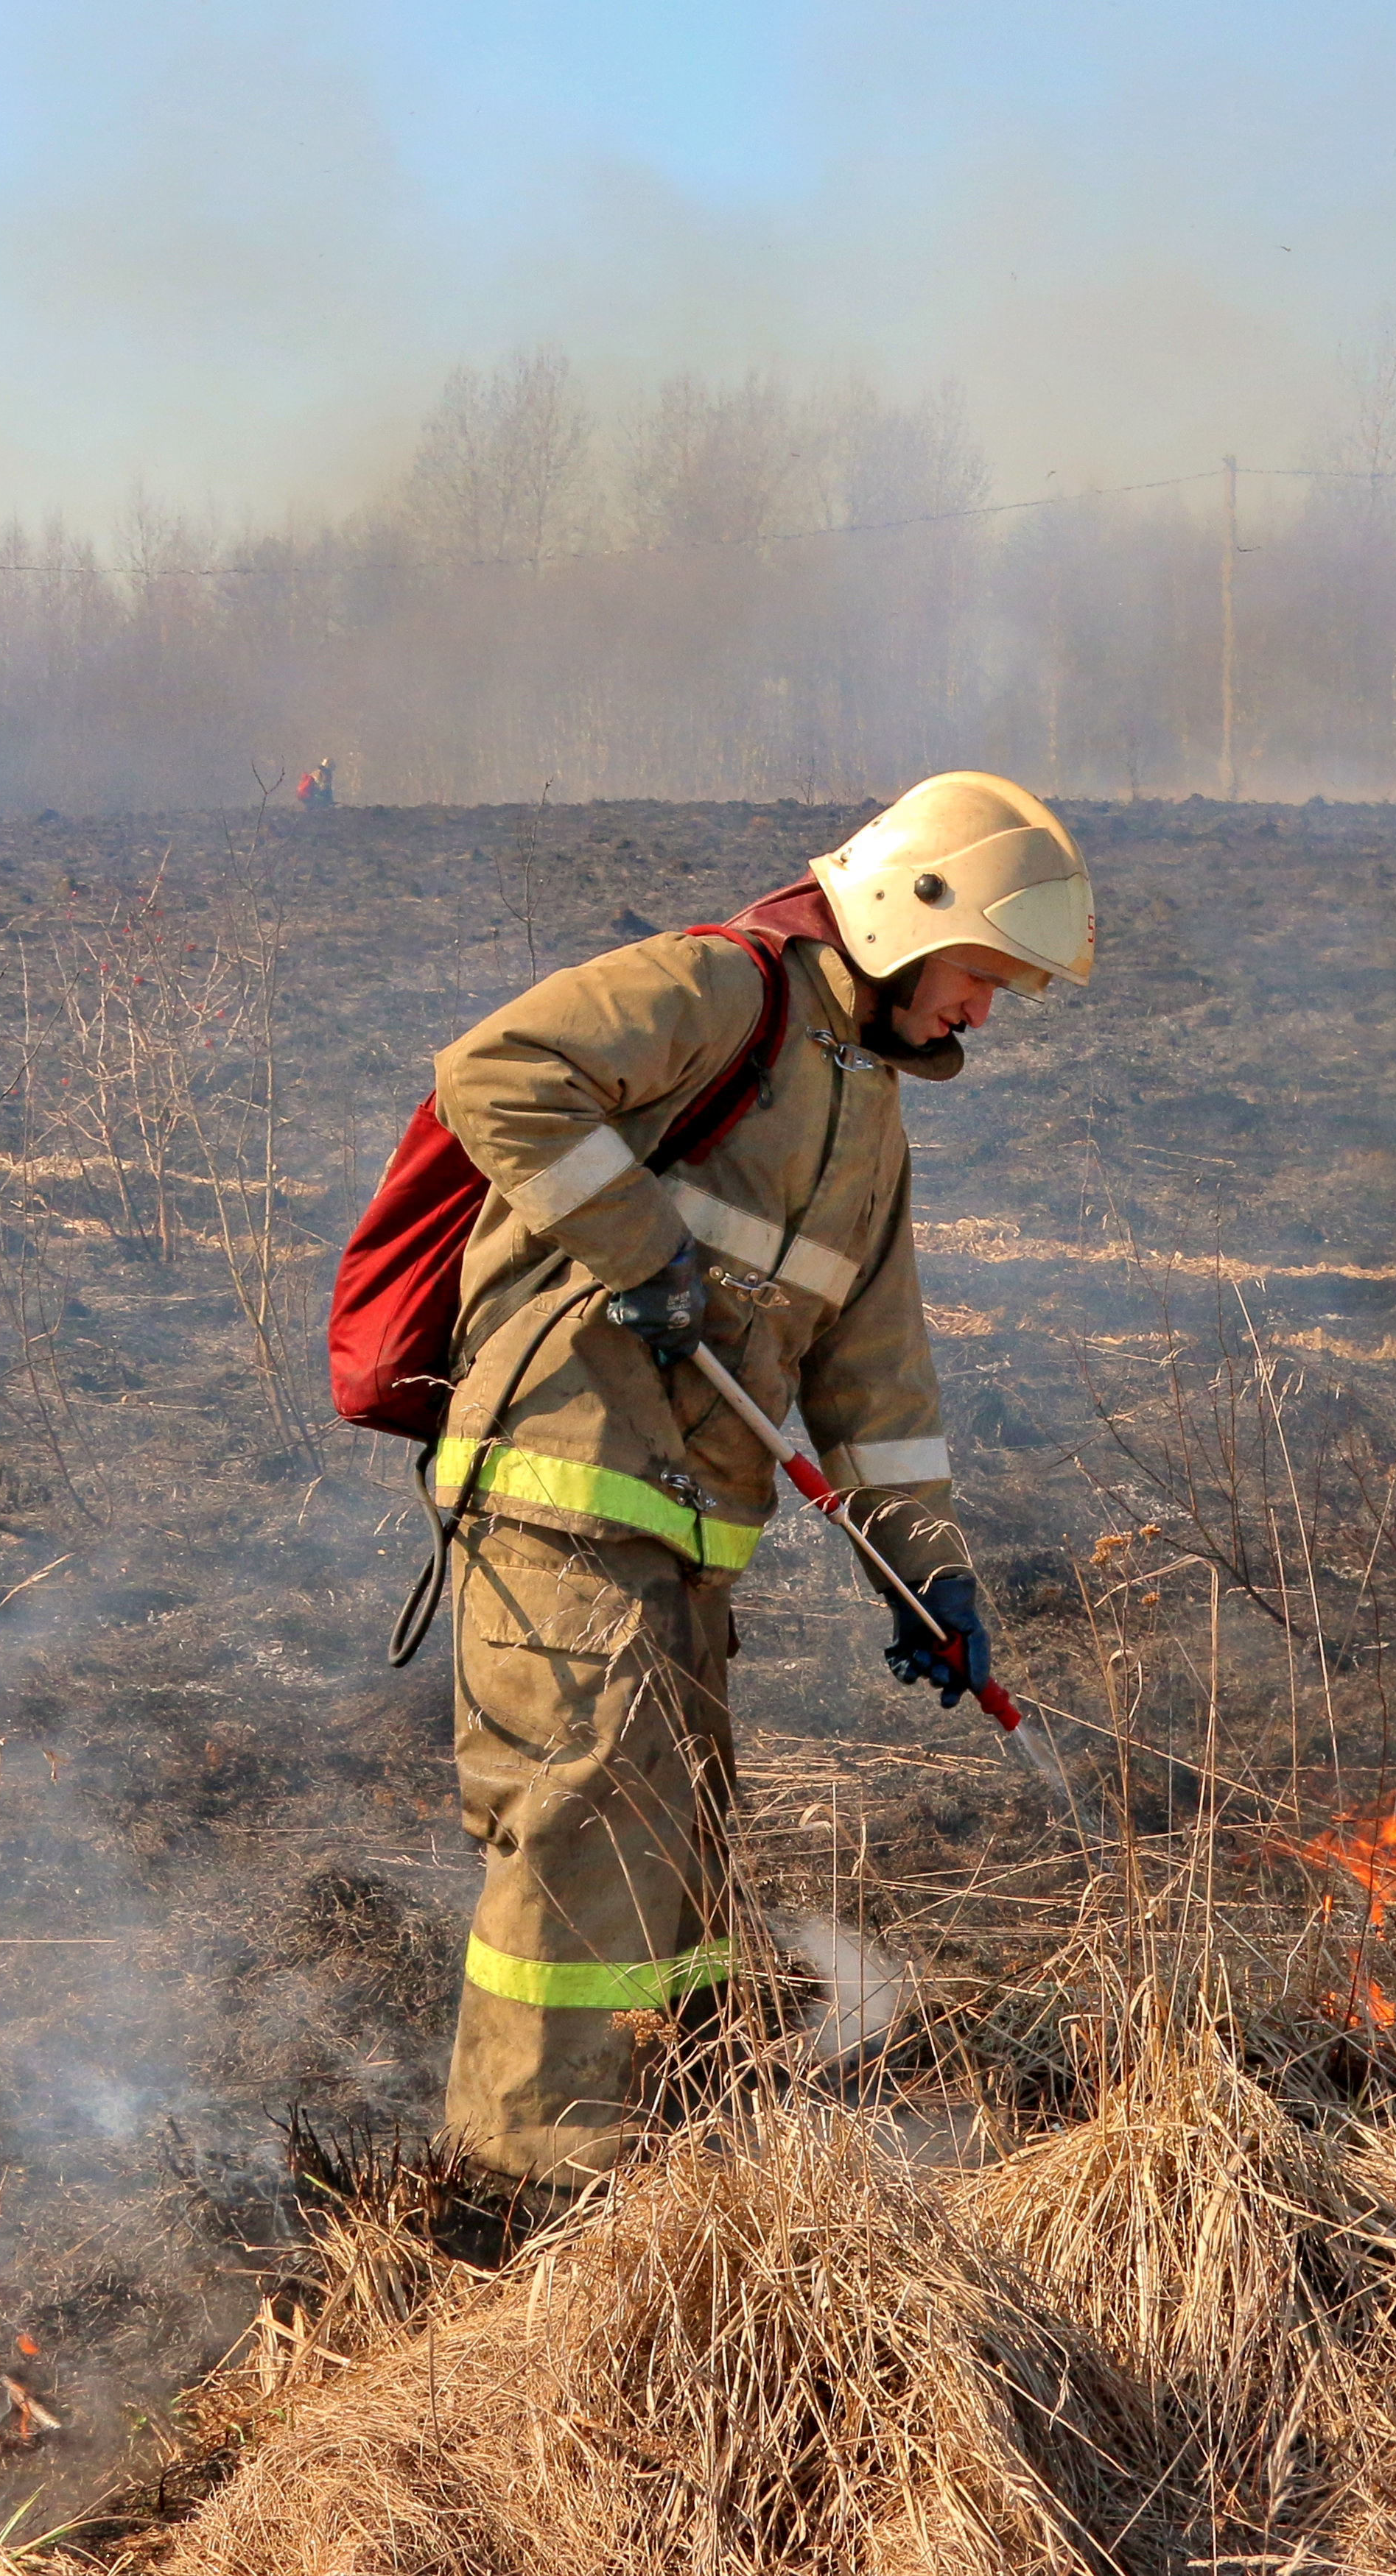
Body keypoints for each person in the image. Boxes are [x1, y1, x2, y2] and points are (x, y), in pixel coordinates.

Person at [415, 771, 1095, 2212]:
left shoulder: (868, 1118)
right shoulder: (722, 995)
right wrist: (637, 1246)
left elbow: (878, 1381)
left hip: (678, 1540)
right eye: (981, 976)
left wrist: (932, 1575)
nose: (983, 1014)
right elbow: (497, 1071)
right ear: (909, 920)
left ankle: (659, 2158)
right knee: (590, 1834)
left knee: (678, 1857)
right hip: (563, 1492)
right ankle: (523, 2205)